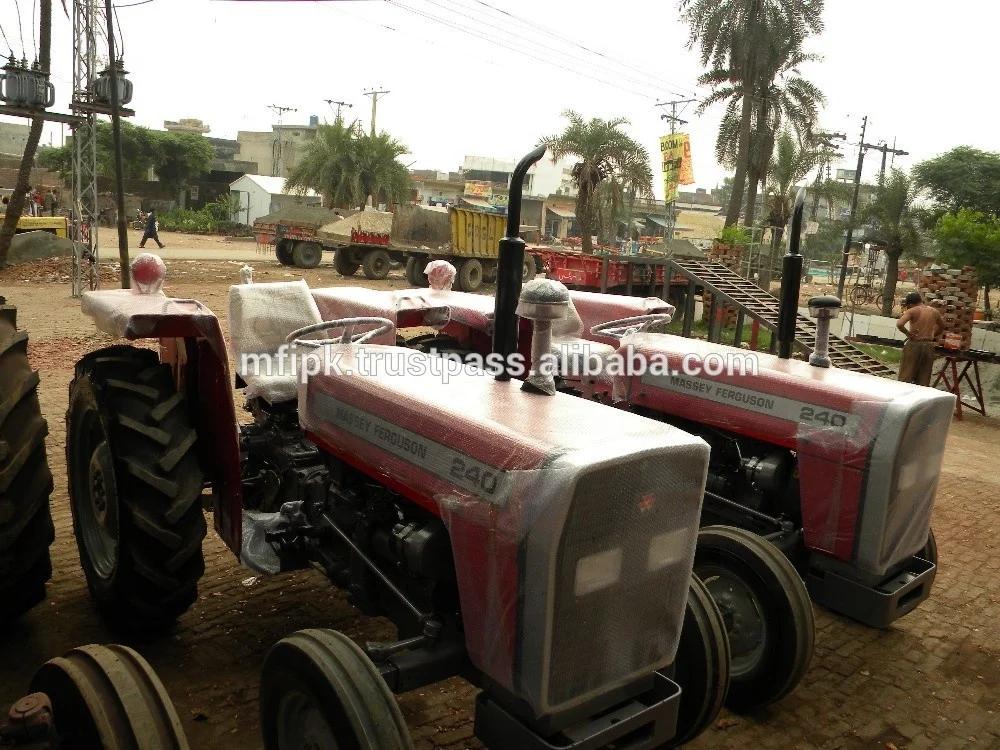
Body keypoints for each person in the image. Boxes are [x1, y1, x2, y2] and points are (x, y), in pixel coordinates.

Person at [896, 292, 945, 386]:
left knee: (906, 375)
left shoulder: (912, 311)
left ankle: (902, 398)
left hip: (914, 345)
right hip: (928, 346)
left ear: (910, 304)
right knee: (924, 378)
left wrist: (908, 333)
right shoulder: (934, 311)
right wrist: (933, 335)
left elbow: (900, 324)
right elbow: (942, 326)